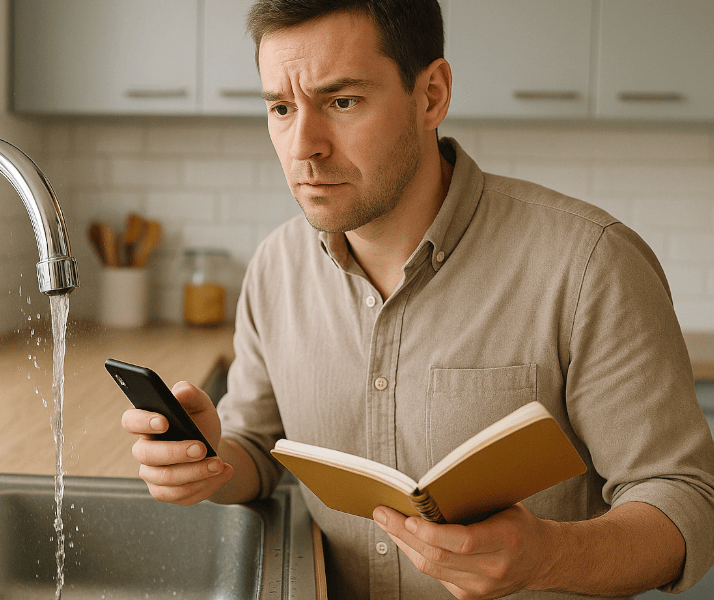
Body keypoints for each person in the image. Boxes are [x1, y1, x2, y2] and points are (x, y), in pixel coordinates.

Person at [122, 1, 714, 598]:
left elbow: (684, 501)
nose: (304, 145)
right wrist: (206, 462)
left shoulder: (590, 264)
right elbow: (256, 448)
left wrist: (546, 559)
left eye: (342, 101)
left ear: (431, 95)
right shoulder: (276, 266)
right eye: (280, 107)